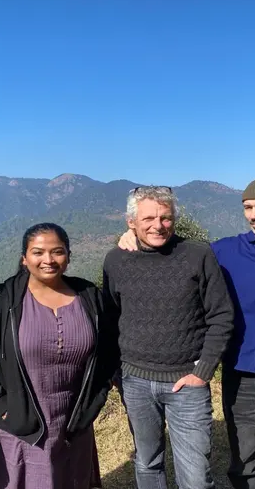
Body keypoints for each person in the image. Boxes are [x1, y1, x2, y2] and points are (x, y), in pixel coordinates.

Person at [118, 177, 255, 489]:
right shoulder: (223, 252)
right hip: (243, 379)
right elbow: (173, 246)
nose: (253, 214)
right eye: (248, 207)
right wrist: (134, 233)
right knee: (245, 468)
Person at [0, 223, 116, 489]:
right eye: (38, 252)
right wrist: (1, 406)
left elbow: (110, 351)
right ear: (24, 258)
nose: (48, 260)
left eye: (57, 252)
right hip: (18, 425)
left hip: (72, 423)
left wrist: (96, 399)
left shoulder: (89, 297)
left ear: (68, 255)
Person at [103, 185, 234, 489]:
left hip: (187, 382)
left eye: (166, 218)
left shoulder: (198, 254)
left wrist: (203, 372)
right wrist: (114, 371)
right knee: (147, 463)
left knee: (196, 478)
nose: (158, 225)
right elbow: (110, 319)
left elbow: (221, 315)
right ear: (130, 222)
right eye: (148, 218)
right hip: (134, 381)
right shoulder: (116, 260)